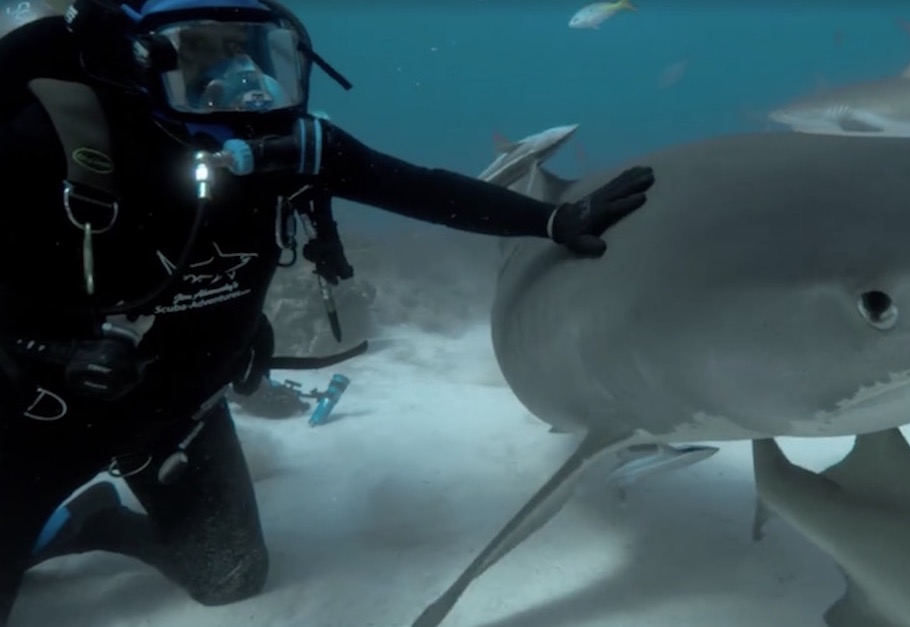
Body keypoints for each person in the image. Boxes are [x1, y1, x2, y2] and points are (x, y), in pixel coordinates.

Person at [0, 0, 656, 622]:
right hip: (44, 417)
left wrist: (554, 218)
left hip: (180, 409)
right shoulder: (53, 147)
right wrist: (50, 351)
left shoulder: (299, 151)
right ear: (144, 65)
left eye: (263, 59)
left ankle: (95, 523)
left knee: (230, 578)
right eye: (207, 64)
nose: (245, 88)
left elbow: (422, 189)